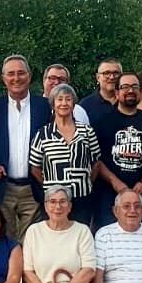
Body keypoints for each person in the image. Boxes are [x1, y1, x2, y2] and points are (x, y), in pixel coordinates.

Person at [0, 55, 52, 236]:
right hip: (3, 187)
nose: (16, 78)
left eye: (21, 73)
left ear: (29, 76)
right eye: (11, 74)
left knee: (31, 240)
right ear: (3, 78)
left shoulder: (44, 107)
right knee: (5, 238)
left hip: (33, 187)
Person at [92, 71, 142, 230]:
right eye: (125, 87)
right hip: (109, 195)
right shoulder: (102, 122)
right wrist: (115, 182)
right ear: (117, 92)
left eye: (134, 86)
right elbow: (96, 159)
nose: (130, 90)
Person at [30, 83, 101, 227]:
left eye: (68, 99)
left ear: (73, 104)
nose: (64, 103)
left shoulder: (87, 132)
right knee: (55, 233)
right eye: (59, 99)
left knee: (80, 233)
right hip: (54, 199)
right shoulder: (43, 134)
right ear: (53, 104)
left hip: (82, 197)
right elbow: (35, 168)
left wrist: (85, 181)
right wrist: (50, 185)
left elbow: (96, 163)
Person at [81, 59, 122, 124]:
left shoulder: (131, 102)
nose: (112, 77)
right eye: (106, 73)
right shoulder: (85, 106)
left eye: (116, 73)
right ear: (98, 77)